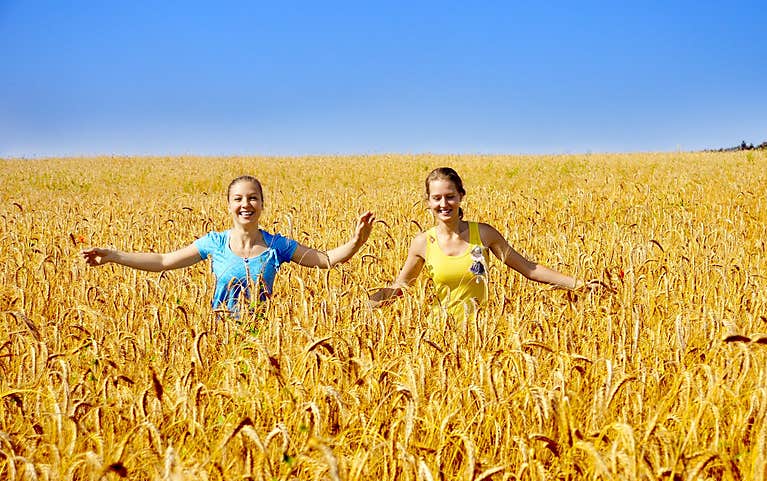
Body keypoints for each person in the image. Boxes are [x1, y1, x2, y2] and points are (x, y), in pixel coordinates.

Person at [82, 175, 375, 318]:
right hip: (219, 338)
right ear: (229, 205)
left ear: (262, 204)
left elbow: (324, 260)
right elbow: (163, 261)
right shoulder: (215, 243)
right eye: (238, 199)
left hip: (266, 343)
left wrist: (357, 241)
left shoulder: (277, 246)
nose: (245, 205)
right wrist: (114, 256)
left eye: (252, 198)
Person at [369, 166, 598, 321]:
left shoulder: (484, 234)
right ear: (428, 202)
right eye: (436, 198)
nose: (444, 203)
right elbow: (400, 287)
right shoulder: (422, 243)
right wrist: (359, 306)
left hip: (482, 335)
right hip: (439, 335)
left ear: (461, 196)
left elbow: (529, 269)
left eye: (450, 196)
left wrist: (579, 284)